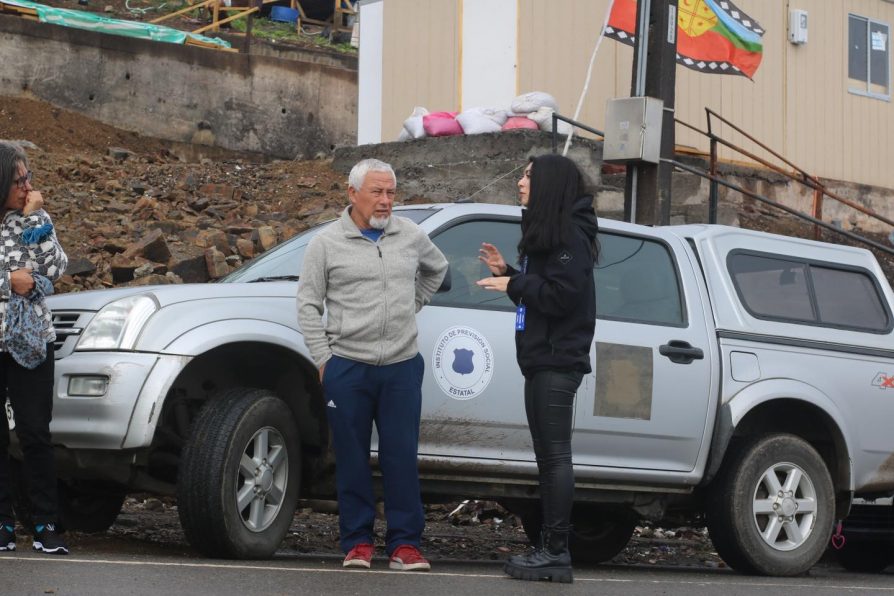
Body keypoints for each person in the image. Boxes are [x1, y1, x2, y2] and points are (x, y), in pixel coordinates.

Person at [297, 158, 448, 571]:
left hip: (401, 366)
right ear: (352, 194)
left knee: (401, 458)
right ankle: (358, 542)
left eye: (391, 193)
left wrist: (412, 304)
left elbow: (438, 269)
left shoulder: (411, 235)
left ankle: (405, 545)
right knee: (351, 459)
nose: (385, 202)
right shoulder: (325, 243)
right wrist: (324, 359)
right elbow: (308, 305)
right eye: (377, 192)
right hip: (347, 367)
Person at [477, 154, 597, 583]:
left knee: (555, 457)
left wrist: (515, 282)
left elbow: (564, 296)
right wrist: (508, 273)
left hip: (556, 360)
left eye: (528, 175)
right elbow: (542, 296)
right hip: (541, 357)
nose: (521, 181)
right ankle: (550, 548)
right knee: (548, 459)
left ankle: (556, 551)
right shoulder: (549, 231)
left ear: (547, 184)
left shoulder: (569, 233)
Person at [0, 141, 70, 555]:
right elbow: (20, 278)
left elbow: (56, 268)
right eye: (17, 181)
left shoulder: (35, 218)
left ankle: (46, 524)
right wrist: (10, 283)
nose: (27, 186)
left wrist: (33, 222)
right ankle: (3, 525)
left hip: (31, 343)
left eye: (28, 178)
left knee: (34, 433)